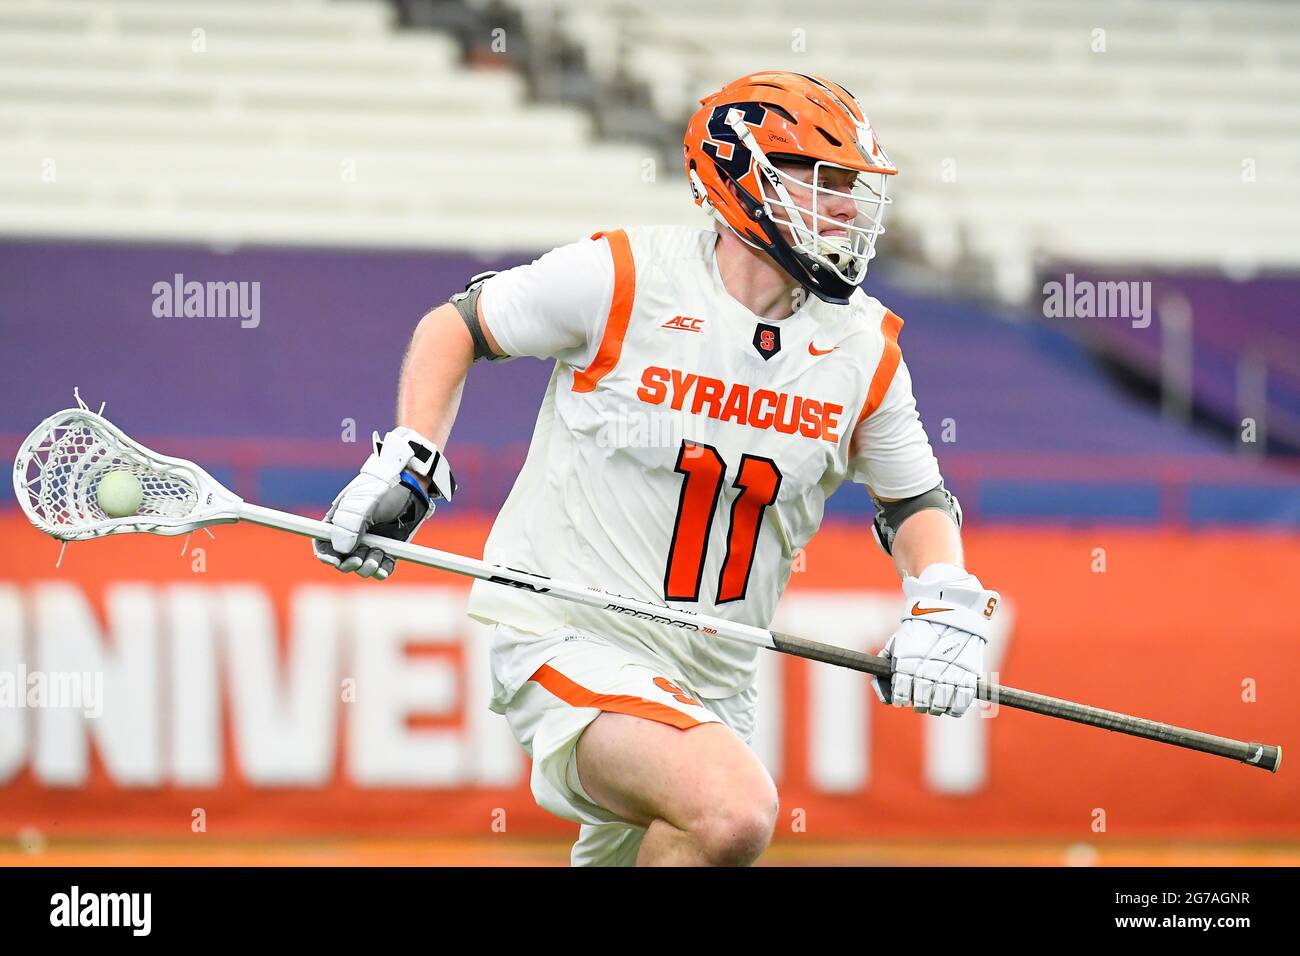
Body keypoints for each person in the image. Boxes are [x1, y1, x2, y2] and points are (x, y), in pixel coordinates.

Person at [313, 71, 999, 866]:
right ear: (745, 178)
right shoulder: (624, 277)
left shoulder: (865, 349)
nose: (849, 206)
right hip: (565, 635)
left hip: (712, 681)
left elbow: (913, 499)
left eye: (855, 185)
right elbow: (457, 325)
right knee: (731, 811)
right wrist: (410, 458)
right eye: (827, 179)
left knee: (699, 832)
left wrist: (941, 599)